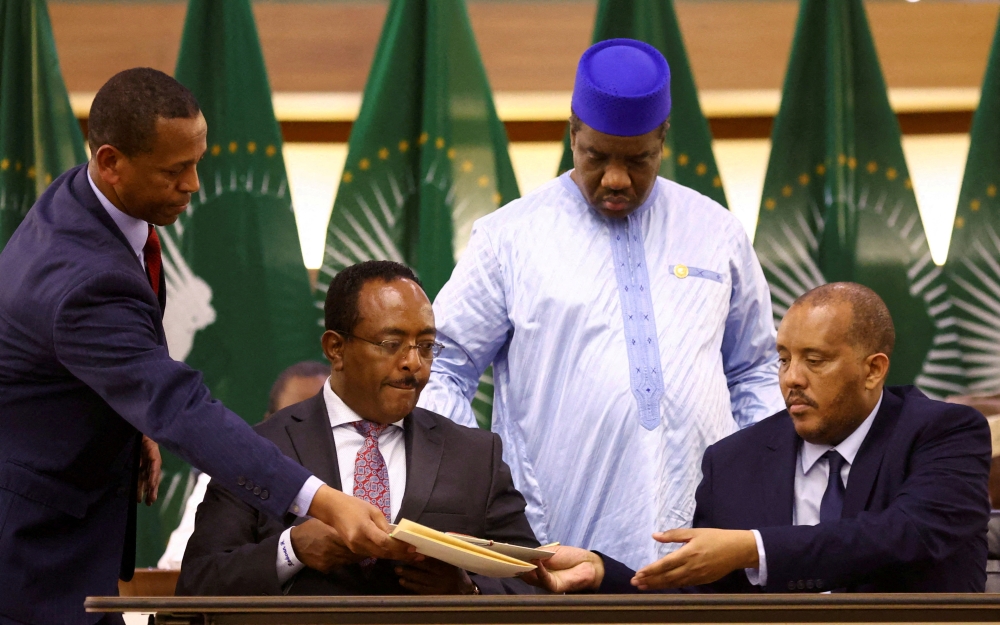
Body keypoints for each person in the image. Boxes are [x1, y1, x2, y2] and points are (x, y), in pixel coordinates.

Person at [0, 69, 407, 625]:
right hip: (34, 554)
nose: (193, 184)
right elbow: (180, 408)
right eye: (175, 170)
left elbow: (113, 358)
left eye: (198, 161)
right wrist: (324, 500)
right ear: (111, 163)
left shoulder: (86, 201)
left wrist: (128, 418)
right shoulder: (81, 278)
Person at [417, 38, 784, 571]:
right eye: (597, 157)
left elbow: (755, 372)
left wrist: (756, 496)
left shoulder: (717, 231)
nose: (616, 179)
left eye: (638, 160)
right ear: (572, 135)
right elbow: (442, 367)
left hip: (704, 544)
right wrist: (477, 492)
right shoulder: (508, 238)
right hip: (551, 545)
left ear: (662, 140)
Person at [525, 283, 992, 593]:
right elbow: (700, 601)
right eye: (784, 359)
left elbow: (906, 535)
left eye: (815, 360)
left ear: (873, 370)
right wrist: (603, 573)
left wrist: (752, 548)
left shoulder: (942, 433)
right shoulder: (734, 461)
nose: (792, 379)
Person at [176, 261, 540, 596]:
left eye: (426, 346)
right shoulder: (259, 449)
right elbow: (198, 584)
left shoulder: (475, 457)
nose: (413, 363)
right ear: (336, 348)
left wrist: (468, 592)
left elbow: (531, 584)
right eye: (392, 344)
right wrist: (292, 550)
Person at [157, 361, 330, 570]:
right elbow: (177, 565)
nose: (307, 436)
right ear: (268, 423)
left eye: (321, 424)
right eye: (295, 423)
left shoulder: (365, 466)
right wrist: (289, 550)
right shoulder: (233, 474)